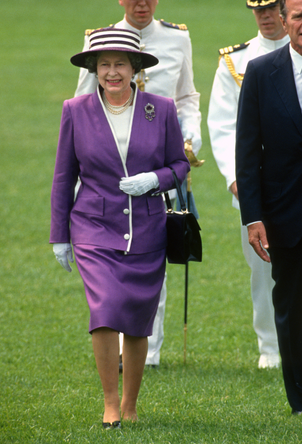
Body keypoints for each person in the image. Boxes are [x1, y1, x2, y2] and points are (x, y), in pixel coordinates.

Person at [50, 27, 190, 427]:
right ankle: (110, 403)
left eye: (120, 64)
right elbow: (64, 176)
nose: (112, 72)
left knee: (136, 318)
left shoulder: (160, 108)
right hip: (94, 226)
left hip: (147, 228)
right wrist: (60, 236)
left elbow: (179, 165)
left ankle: (130, 406)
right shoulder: (75, 110)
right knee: (106, 310)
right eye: (104, 65)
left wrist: (155, 180)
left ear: (135, 69)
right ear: (94, 69)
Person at [74, 0, 202, 368]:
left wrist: (190, 137)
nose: (141, 4)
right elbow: (84, 101)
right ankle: (120, 344)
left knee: (153, 254)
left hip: (161, 157)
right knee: (112, 261)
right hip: (109, 166)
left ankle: (150, 350)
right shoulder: (97, 40)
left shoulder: (178, 38)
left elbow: (187, 95)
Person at [208, 0, 302, 369]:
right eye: (259, 10)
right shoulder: (241, 63)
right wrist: (237, 181)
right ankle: (270, 346)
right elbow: (228, 129)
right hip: (266, 191)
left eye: (272, 7)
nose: (266, 16)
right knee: (268, 273)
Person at [236, 0, 302, 414]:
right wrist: (253, 216)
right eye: (299, 16)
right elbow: (247, 151)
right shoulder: (259, 73)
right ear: (285, 21)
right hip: (284, 212)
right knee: (289, 307)